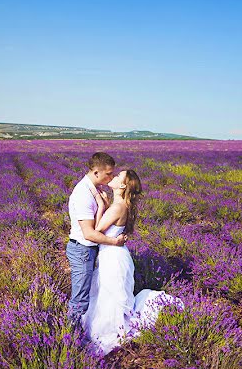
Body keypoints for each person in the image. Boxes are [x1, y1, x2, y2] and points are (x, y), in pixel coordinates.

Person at [80, 169, 184, 355]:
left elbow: (95, 232)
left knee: (111, 297)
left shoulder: (117, 207)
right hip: (115, 255)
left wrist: (99, 204)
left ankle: (114, 331)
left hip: (113, 257)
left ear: (122, 186)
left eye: (119, 176)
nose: (114, 176)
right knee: (109, 295)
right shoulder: (121, 205)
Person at [66, 152, 128, 332]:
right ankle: (71, 336)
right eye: (108, 173)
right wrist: (114, 242)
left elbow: (101, 222)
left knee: (90, 292)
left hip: (90, 250)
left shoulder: (96, 190)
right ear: (95, 172)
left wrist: (103, 206)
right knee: (81, 297)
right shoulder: (83, 194)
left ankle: (80, 330)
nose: (111, 177)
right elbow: (89, 234)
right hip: (83, 250)